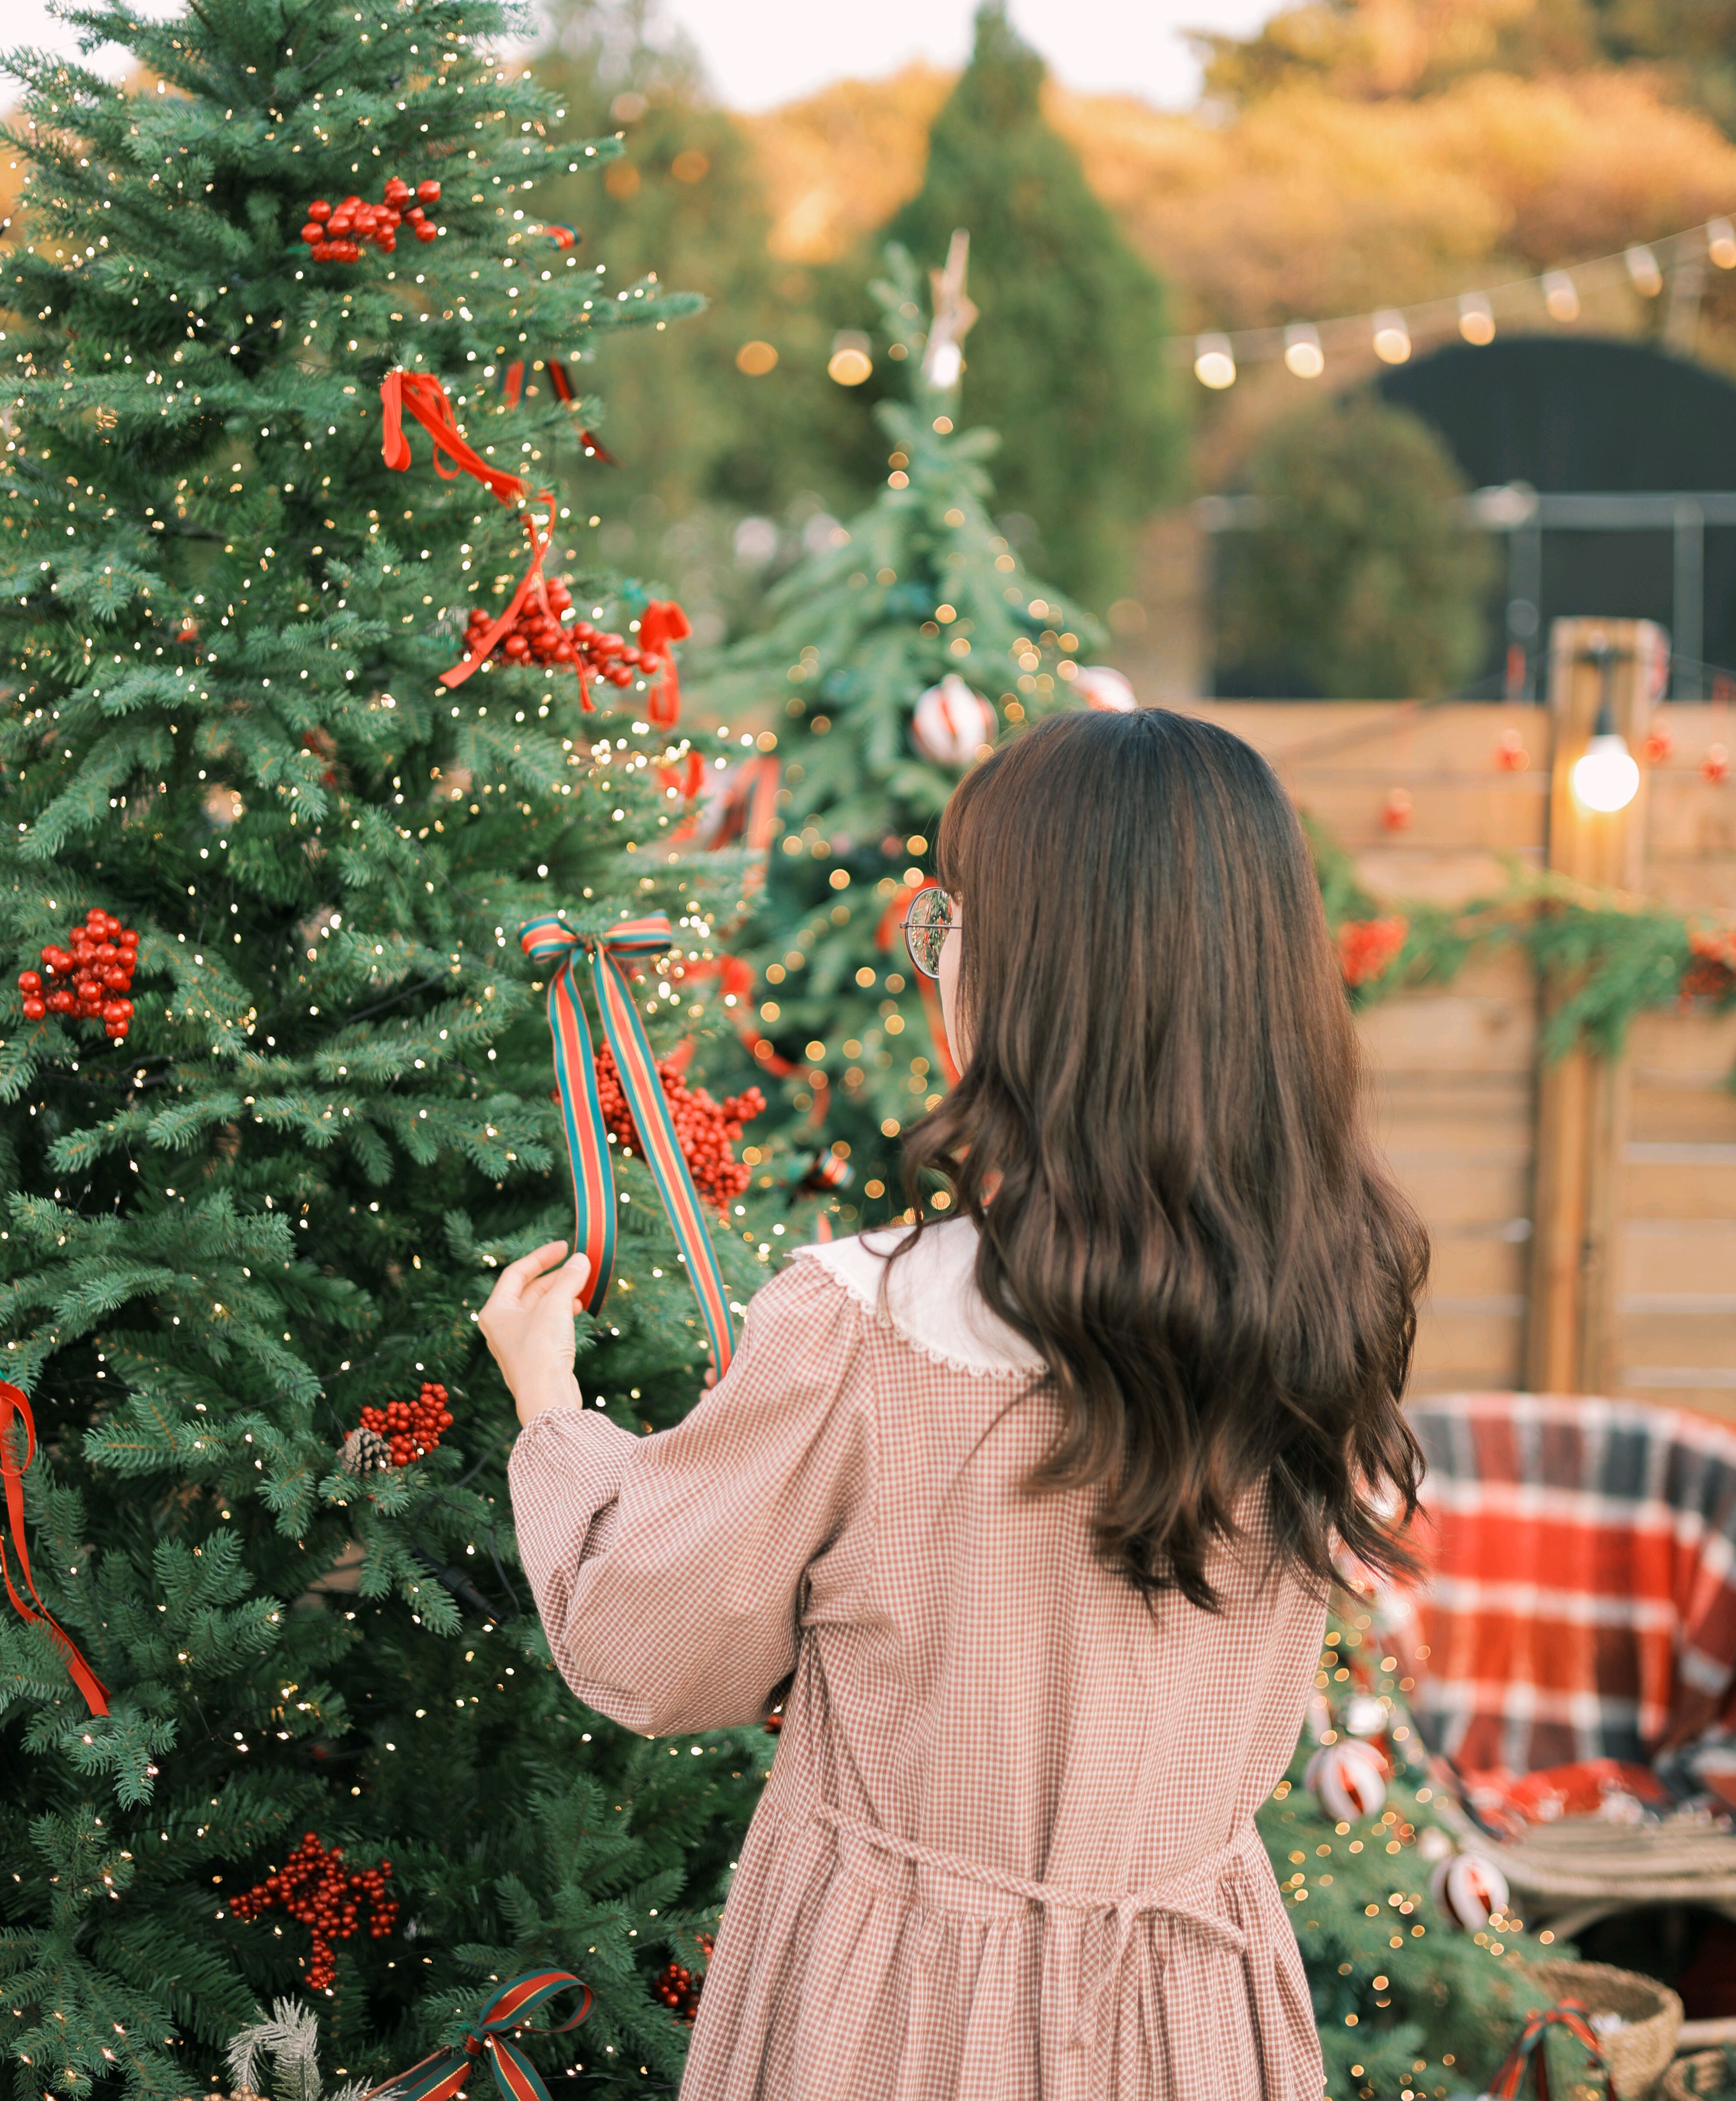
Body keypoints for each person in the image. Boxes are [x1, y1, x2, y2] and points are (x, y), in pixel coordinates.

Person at [484, 706, 1427, 2101]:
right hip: (1192, 2008)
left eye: (952, 925)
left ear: (1024, 979)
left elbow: (653, 1645)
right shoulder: (1335, 1297)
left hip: (899, 2009)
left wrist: (551, 1404)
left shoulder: (866, 1320)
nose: (941, 960)